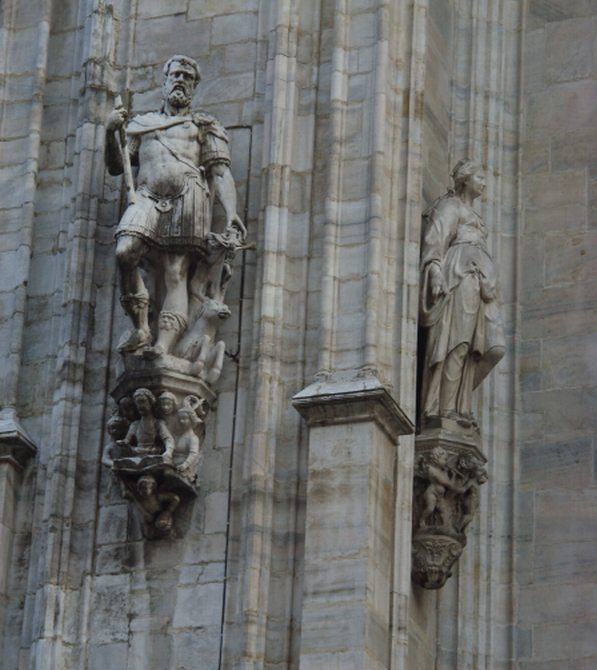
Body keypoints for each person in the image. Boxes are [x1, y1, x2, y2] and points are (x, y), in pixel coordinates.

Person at [105, 55, 245, 356]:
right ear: (165, 81)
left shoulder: (203, 126)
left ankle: (163, 345)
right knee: (125, 251)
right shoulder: (141, 125)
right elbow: (118, 166)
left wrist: (231, 213)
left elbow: (220, 172)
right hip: (145, 197)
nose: (180, 80)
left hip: (188, 196)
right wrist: (109, 131)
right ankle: (141, 326)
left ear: (194, 86)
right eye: (176, 75)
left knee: (175, 273)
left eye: (187, 77)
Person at [419, 160, 505, 425]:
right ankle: (445, 409)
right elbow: (434, 242)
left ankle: (459, 404)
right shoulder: (450, 207)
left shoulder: (475, 217)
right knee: (457, 344)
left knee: (490, 348)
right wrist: (434, 275)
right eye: (480, 176)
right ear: (465, 179)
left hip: (478, 285)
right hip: (458, 279)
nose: (484, 182)